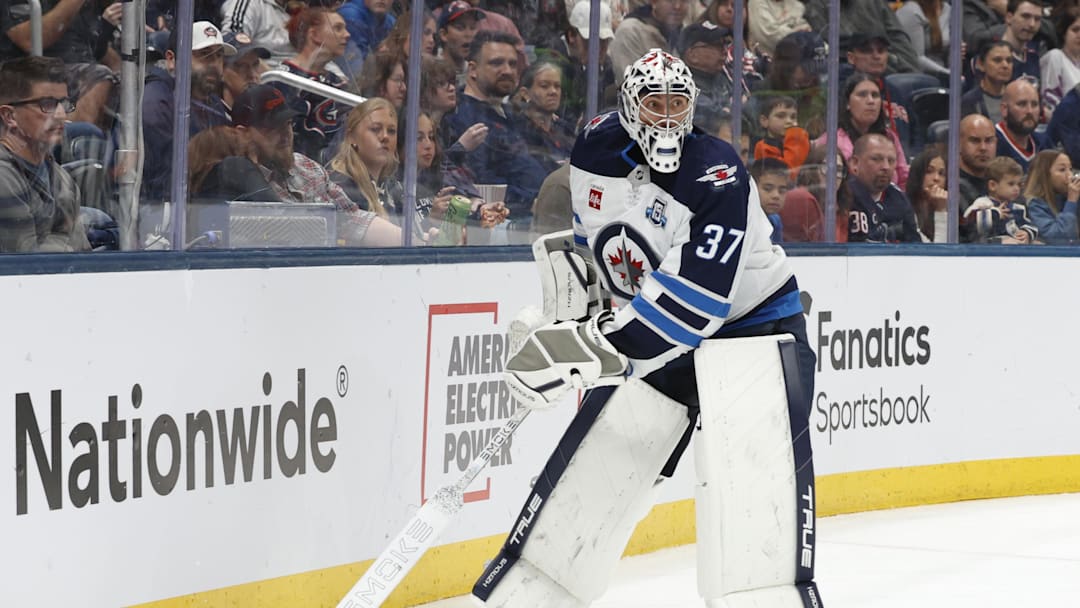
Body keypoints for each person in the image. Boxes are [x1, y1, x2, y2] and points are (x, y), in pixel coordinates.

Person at [473, 48, 822, 608]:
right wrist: (567, 317)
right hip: (649, 328)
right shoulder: (595, 144)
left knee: (756, 504)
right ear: (628, 106)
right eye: (653, 103)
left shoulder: (717, 173)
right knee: (593, 476)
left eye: (676, 103)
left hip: (753, 330)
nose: (666, 116)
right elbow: (604, 252)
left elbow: (693, 308)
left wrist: (588, 349)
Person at [230, 84, 405, 247]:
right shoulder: (231, 180)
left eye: (288, 124)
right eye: (272, 127)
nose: (285, 133)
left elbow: (352, 219)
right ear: (242, 134)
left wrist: (414, 242)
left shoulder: (307, 166)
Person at [441, 30, 548, 222]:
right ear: (472, 69)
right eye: (496, 63)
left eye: (512, 64)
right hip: (509, 220)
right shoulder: (463, 116)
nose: (507, 70)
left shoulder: (515, 115)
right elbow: (481, 181)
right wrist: (526, 202)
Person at [0, 56, 91, 253]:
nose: (61, 115)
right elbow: (28, 261)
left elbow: (83, 254)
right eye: (47, 104)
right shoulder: (3, 177)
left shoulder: (61, 177)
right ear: (9, 116)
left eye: (64, 103)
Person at [141, 21, 235, 203]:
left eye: (219, 56)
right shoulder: (157, 102)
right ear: (171, 60)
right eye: (204, 55)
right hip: (161, 215)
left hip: (203, 209)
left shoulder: (214, 103)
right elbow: (164, 183)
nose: (215, 65)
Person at [1, 0, 121, 130]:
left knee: (130, 84)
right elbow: (28, 40)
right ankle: (69, 143)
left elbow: (95, 48)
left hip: (80, 66)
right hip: (24, 71)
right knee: (99, 76)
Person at [276, 7, 351, 162]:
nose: (347, 35)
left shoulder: (338, 83)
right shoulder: (284, 79)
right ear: (314, 35)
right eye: (338, 28)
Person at [815, 72, 909, 189]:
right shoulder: (830, 141)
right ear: (848, 103)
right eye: (862, 95)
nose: (871, 101)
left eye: (875, 95)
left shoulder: (889, 137)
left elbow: (904, 180)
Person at [535, 0, 617, 129]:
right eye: (589, 41)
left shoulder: (606, 67)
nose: (598, 49)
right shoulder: (550, 66)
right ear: (571, 35)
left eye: (604, 42)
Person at [845, 133, 919, 243]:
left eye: (891, 160)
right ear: (855, 163)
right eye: (876, 159)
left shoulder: (899, 199)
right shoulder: (842, 196)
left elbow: (915, 247)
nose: (886, 167)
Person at [514, 61, 578, 174]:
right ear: (525, 93)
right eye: (544, 86)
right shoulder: (517, 131)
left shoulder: (566, 130)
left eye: (557, 86)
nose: (553, 92)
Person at [609, 0, 688, 82]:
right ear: (654, 2)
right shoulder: (631, 31)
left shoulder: (685, 34)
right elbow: (630, 82)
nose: (677, 6)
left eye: (684, 1)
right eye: (670, 1)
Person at [965, 156, 1037, 243]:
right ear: (993, 185)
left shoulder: (1019, 208)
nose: (1017, 188)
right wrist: (996, 213)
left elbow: (1031, 225)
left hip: (1015, 248)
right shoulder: (983, 203)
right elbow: (970, 222)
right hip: (988, 248)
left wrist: (1026, 233)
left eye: (1019, 184)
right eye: (1011, 184)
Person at [1022, 149, 1080, 244]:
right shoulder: (1034, 204)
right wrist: (1071, 201)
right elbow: (1060, 239)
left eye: (1070, 169)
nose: (1070, 175)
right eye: (1062, 170)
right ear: (1044, 174)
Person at [994, 78, 1052, 171]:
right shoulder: (991, 143)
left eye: (1034, 105)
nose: (1029, 111)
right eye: (1022, 104)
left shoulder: (1044, 143)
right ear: (1004, 109)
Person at [221, 0, 293, 65]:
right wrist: (271, 75)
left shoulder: (296, 8)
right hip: (266, 74)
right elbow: (232, 46)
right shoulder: (249, 3)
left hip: (295, 72)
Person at [1040, 7, 1080, 122]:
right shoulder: (1055, 57)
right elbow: (1049, 103)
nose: (1079, 35)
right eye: (1075, 30)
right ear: (1064, 33)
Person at [753, 95, 809, 177]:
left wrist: (796, 136)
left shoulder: (799, 139)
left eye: (793, 117)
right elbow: (786, 172)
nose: (789, 121)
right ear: (764, 121)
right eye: (781, 116)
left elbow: (791, 172)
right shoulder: (762, 146)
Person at [895, 0, 952, 79]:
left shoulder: (948, 9)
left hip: (945, 77)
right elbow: (917, 58)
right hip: (918, 78)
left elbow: (951, 50)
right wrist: (949, 74)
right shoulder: (910, 11)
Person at [961, 39, 1014, 123]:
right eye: (997, 60)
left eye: (1009, 60)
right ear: (980, 64)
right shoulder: (969, 102)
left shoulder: (1016, 97)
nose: (1005, 65)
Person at [905, 146, 949, 242]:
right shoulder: (904, 210)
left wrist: (942, 209)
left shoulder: (952, 210)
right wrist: (940, 211)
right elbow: (937, 253)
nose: (936, 178)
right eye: (929, 171)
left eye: (941, 173)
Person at [222, 33, 272, 114]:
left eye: (255, 65)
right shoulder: (211, 117)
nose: (252, 75)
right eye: (242, 67)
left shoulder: (269, 109)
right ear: (221, 71)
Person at [748, 157, 790, 244]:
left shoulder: (775, 220)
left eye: (782, 190)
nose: (776, 195)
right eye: (768, 189)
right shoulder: (746, 221)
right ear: (753, 188)